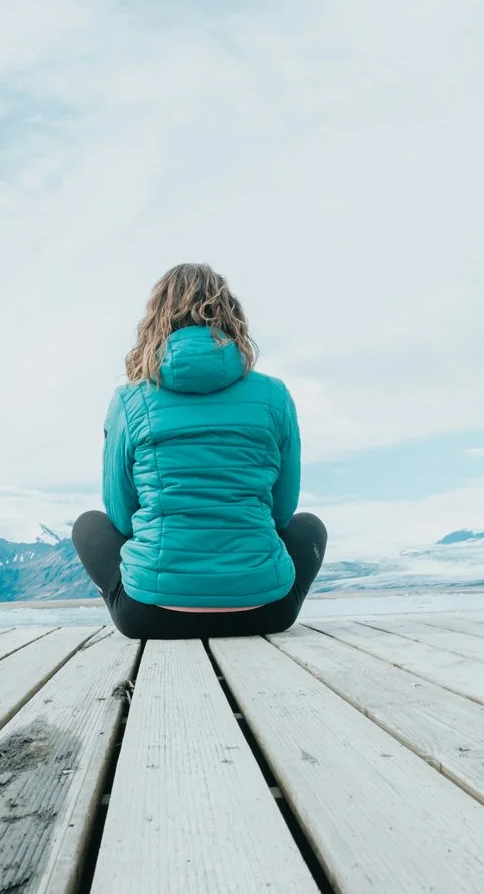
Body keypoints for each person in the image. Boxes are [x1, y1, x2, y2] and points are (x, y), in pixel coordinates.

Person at [73, 264, 326, 639]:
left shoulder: (129, 399)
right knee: (309, 527)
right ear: (231, 316)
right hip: (268, 611)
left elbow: (121, 518)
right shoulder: (275, 395)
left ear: (155, 320)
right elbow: (282, 512)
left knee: (88, 524)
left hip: (149, 614)